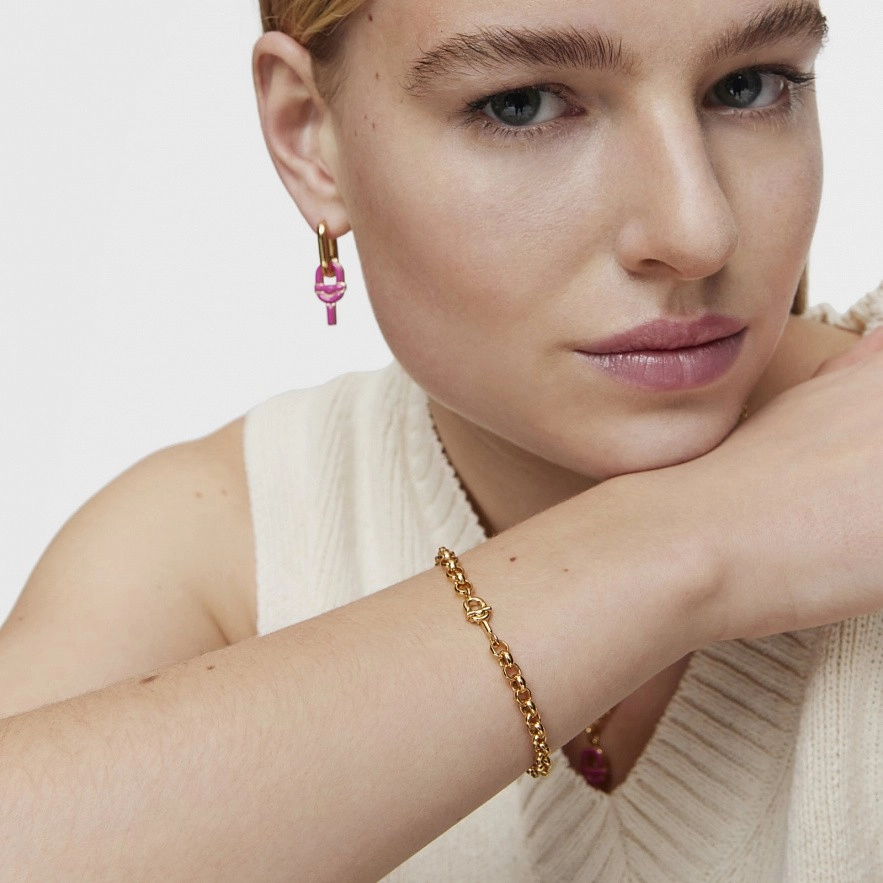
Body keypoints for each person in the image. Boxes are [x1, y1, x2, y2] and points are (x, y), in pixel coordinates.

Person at [1, 0, 882, 879]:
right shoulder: (221, 545)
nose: (696, 231)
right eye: (522, 105)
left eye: (747, 86)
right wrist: (688, 544)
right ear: (310, 135)